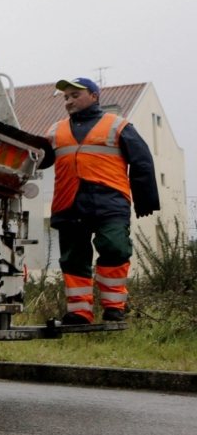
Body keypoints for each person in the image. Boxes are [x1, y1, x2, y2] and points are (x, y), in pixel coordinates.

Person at [45, 77, 159, 325]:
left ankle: (114, 307)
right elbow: (35, 157)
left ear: (94, 96)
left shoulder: (118, 126)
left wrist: (145, 199)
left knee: (115, 248)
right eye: (66, 97)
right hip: (69, 202)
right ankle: (79, 312)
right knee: (73, 258)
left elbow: (141, 161)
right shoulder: (55, 130)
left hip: (109, 201)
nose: (69, 101)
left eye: (75, 95)